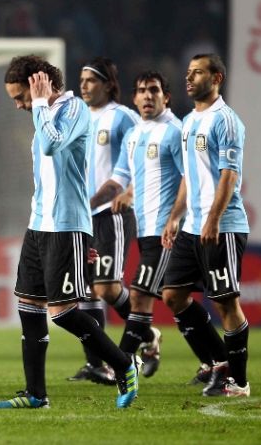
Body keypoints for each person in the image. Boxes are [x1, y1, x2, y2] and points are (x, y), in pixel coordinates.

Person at [0, 55, 139, 409]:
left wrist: (40, 102)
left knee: (62, 312)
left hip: (67, 224)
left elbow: (50, 144)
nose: (18, 106)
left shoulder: (73, 110)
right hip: (39, 224)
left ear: (38, 84)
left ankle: (122, 362)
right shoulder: (43, 113)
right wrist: (38, 105)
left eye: (20, 97)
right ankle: (36, 394)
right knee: (28, 307)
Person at [89, 70, 213, 378]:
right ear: (134, 98)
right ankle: (215, 361)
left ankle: (123, 364)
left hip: (167, 230)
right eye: (142, 91)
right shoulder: (134, 135)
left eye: (154, 90)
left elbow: (190, 178)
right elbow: (119, 178)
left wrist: (174, 218)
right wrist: (88, 204)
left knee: (141, 297)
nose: (147, 96)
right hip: (143, 229)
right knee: (176, 299)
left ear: (165, 97)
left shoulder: (174, 131)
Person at [161, 54, 251, 397]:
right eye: (188, 73)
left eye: (197, 73)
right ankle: (218, 360)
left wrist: (213, 219)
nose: (189, 78)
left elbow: (230, 175)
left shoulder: (226, 121)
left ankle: (239, 382)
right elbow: (188, 176)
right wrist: (174, 216)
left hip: (222, 225)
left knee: (226, 302)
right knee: (172, 295)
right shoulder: (187, 122)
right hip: (192, 227)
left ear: (217, 78)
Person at [68, 57, 141, 384]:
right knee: (85, 292)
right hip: (82, 217)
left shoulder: (123, 117)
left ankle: (148, 335)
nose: (83, 85)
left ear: (109, 84)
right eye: (81, 79)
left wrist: (127, 194)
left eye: (91, 80)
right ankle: (97, 364)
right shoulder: (80, 117)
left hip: (111, 213)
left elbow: (140, 162)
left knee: (108, 287)